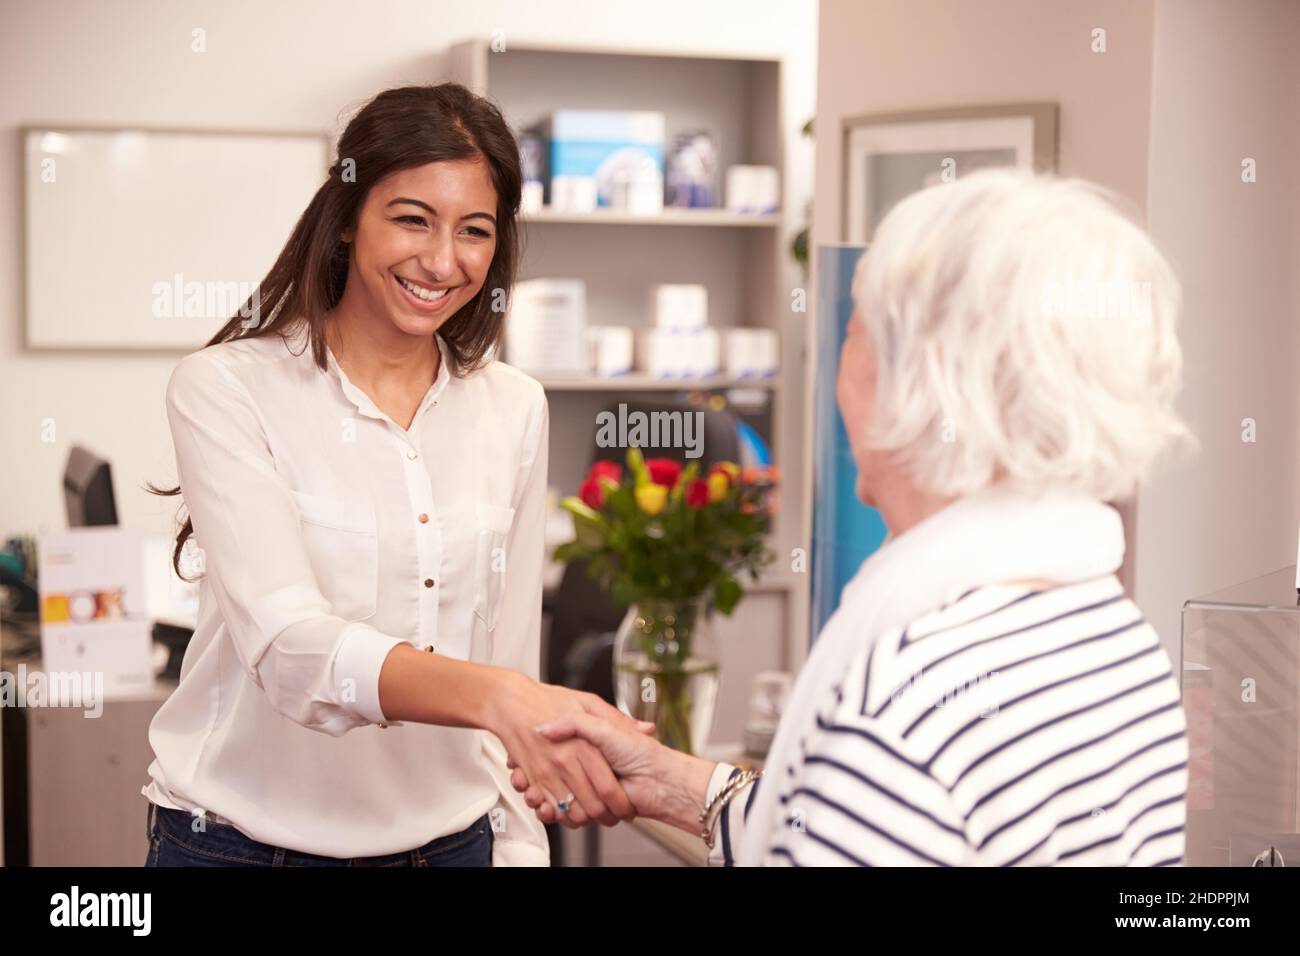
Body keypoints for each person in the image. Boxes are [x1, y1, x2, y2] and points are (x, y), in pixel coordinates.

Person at [510, 168, 1196, 866]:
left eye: (857, 331)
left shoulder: (899, 705)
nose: (839, 365)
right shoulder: (1120, 641)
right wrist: (663, 778)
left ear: (922, 382)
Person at [143, 83, 645, 868]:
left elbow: (509, 649)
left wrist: (518, 849)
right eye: (412, 218)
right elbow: (290, 649)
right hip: (240, 847)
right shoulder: (226, 388)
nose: (442, 261)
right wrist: (498, 697)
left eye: (474, 231)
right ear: (346, 219)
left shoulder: (514, 407)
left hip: (452, 845)